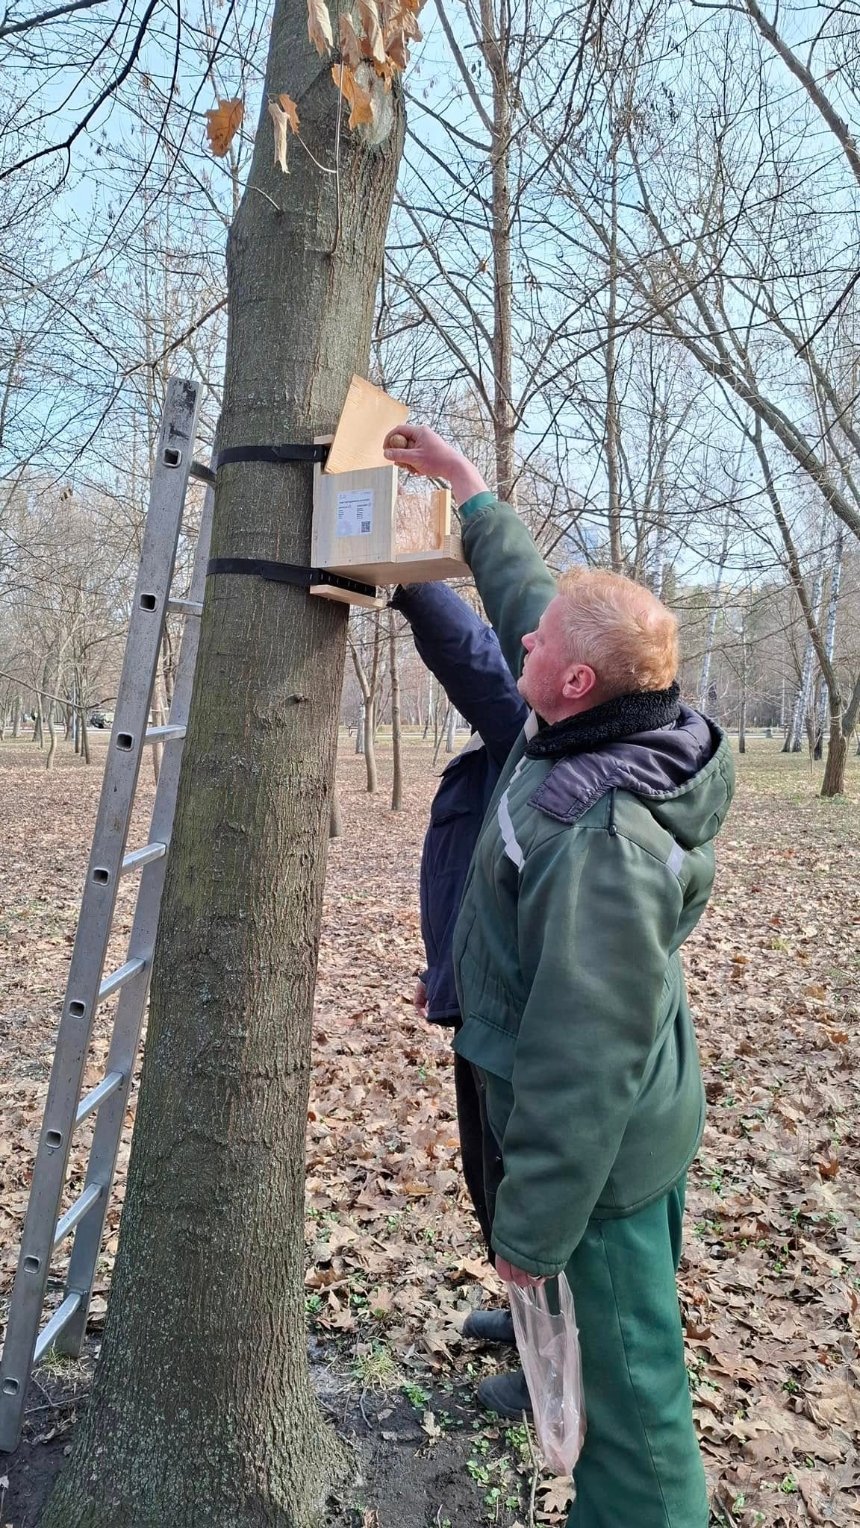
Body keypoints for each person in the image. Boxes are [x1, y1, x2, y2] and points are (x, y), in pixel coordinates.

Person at [384, 426, 735, 1528]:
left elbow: (585, 1065)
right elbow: (529, 597)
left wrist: (528, 1238)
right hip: (595, 1139)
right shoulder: (591, 710)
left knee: (635, 1421)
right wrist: (465, 490)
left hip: (601, 1169)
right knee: (599, 1358)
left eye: (537, 648)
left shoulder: (602, 839)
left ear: (575, 682)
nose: (519, 642)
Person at [389, 581, 533, 1415]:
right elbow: (465, 878)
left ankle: (560, 1368)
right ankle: (528, 1320)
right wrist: (439, 970)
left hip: (515, 1021)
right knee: (490, 1176)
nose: (527, 657)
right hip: (475, 1000)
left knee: (521, 1184)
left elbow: (479, 666)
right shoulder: (508, 756)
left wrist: (409, 584)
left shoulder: (533, 736)